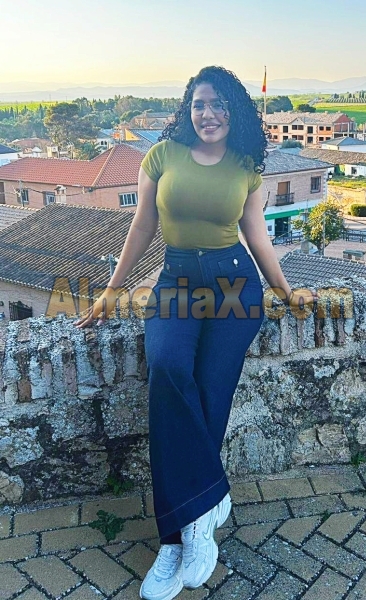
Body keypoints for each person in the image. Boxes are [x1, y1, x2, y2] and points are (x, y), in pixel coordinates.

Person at [74, 65, 315, 600]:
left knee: (209, 393)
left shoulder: (245, 167)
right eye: (200, 103)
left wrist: (285, 290)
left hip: (234, 284)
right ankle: (198, 513)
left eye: (219, 104)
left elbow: (257, 237)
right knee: (167, 369)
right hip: (177, 281)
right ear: (188, 108)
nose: (208, 114)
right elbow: (142, 225)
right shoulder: (162, 157)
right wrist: (112, 291)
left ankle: (190, 529)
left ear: (235, 112)